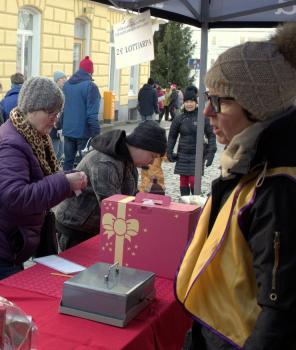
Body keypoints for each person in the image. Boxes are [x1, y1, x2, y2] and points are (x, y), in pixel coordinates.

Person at [175, 23, 296, 349]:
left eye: (220, 100)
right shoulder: (252, 166)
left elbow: (280, 314)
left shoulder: (279, 187)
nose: (208, 111)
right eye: (206, 97)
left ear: (259, 108)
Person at [0, 77, 88, 287]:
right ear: (32, 109)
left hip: (7, 239)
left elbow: (40, 178)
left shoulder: (31, 135)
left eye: (58, 113)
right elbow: (17, 196)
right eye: (52, 113)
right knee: (6, 309)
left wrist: (68, 179)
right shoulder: (10, 145)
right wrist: (64, 183)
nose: (55, 120)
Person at [54, 121, 167, 250]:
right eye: (152, 156)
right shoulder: (105, 163)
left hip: (94, 228)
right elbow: (112, 207)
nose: (152, 162)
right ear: (140, 145)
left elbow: (129, 195)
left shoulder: (128, 159)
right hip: (77, 229)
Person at [167, 86, 217, 196]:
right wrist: (169, 151)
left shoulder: (202, 117)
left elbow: (211, 135)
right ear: (184, 103)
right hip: (183, 154)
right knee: (183, 180)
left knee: (194, 180)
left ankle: (195, 202)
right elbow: (172, 136)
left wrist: (211, 152)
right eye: (187, 101)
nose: (189, 104)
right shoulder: (179, 118)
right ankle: (185, 204)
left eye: (192, 101)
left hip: (198, 155)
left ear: (196, 102)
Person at [61, 56, 101, 170]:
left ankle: (66, 186)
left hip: (68, 131)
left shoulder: (67, 85)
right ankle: (83, 187)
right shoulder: (91, 87)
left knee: (68, 163)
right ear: (90, 71)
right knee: (86, 165)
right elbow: (92, 115)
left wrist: (61, 124)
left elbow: (64, 108)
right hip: (83, 133)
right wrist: (96, 135)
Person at [51, 71, 66, 162]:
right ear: (57, 80)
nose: (65, 80)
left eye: (65, 78)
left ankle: (55, 170)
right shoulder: (54, 92)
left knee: (61, 151)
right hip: (54, 126)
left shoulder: (63, 91)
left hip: (61, 127)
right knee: (55, 152)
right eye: (62, 78)